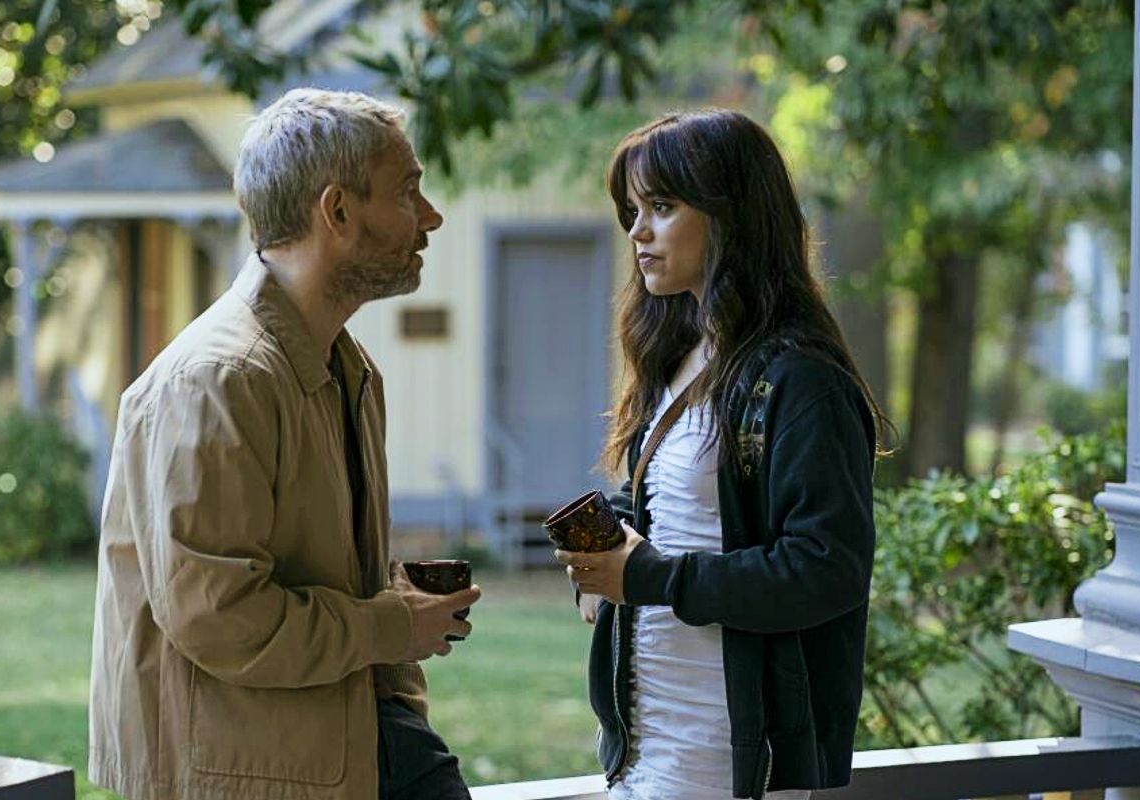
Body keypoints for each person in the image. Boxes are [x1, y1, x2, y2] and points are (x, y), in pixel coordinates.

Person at [89, 88, 480, 800]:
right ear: (336, 212)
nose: (431, 217)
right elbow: (220, 616)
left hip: (351, 736)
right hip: (250, 767)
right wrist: (390, 625)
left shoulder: (347, 365)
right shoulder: (217, 380)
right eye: (408, 191)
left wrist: (394, 604)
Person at [555, 109, 892, 800]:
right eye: (632, 210)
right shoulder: (684, 356)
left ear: (732, 214)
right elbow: (678, 512)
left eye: (662, 207)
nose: (637, 231)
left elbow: (827, 569)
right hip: (651, 747)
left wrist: (647, 578)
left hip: (736, 766)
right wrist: (607, 554)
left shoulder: (801, 381)